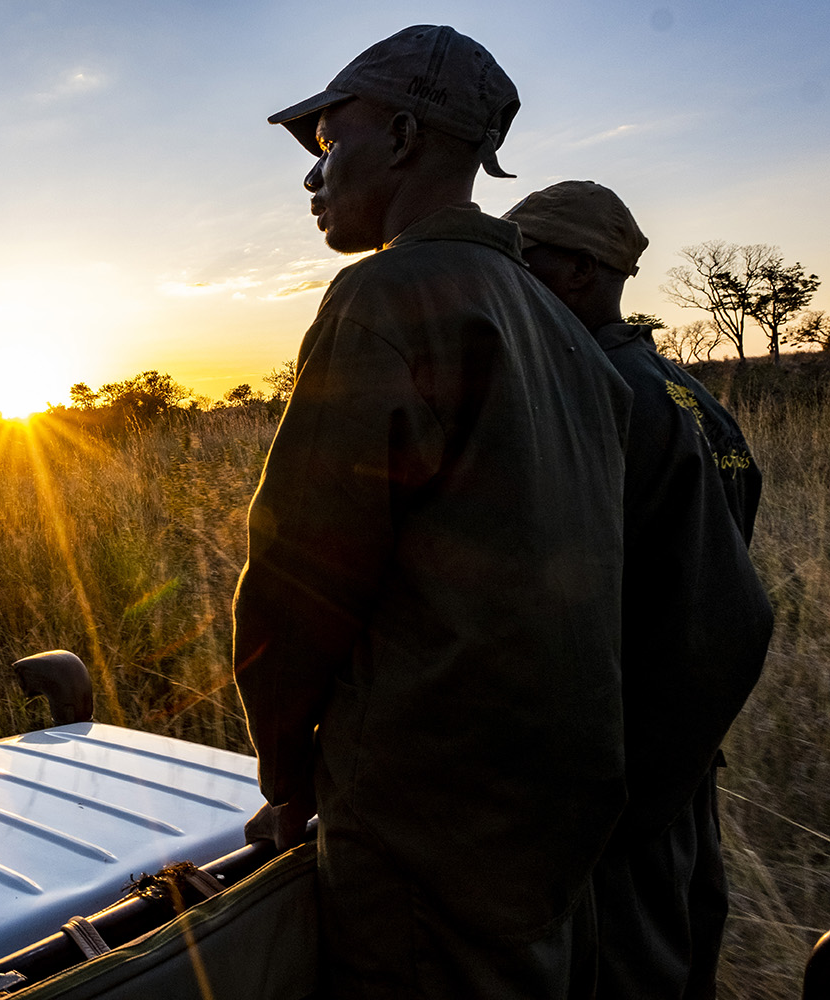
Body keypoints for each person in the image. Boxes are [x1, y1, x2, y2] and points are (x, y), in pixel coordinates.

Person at [234, 25, 635, 997]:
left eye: (330, 143)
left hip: (424, 823)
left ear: (405, 136)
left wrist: (286, 777)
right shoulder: (566, 332)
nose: (313, 177)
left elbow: (297, 582)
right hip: (550, 811)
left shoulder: (388, 295)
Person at [502, 180, 774, 999]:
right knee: (683, 940)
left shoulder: (598, 400)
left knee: (626, 967)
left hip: (623, 780)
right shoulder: (685, 393)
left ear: (580, 272)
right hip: (678, 768)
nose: (509, 286)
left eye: (525, 264)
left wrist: (623, 796)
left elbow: (728, 614)